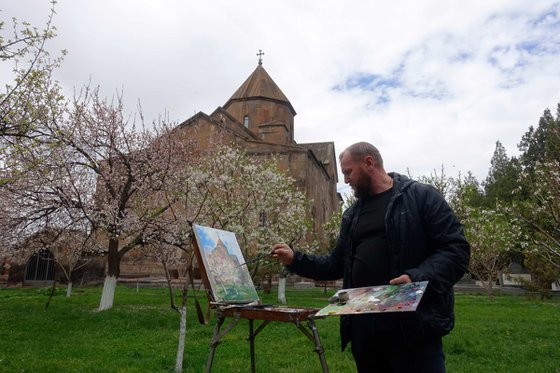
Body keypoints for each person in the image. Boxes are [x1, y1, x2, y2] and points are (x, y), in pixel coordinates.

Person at [271, 142, 470, 373]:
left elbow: (456, 250)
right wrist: (295, 259)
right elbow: (336, 264)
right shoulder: (352, 215)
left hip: (413, 330)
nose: (345, 180)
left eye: (348, 172)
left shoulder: (421, 197)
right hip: (366, 334)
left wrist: (416, 278)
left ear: (368, 163)